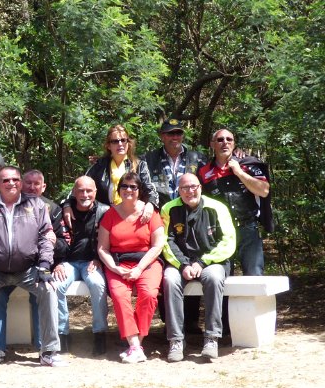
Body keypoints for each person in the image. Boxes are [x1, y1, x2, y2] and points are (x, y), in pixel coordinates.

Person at [0, 166, 67, 369]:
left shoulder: (35, 204)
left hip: (27, 270)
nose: (11, 183)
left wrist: (44, 266)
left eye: (15, 179)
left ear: (20, 182)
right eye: (6, 180)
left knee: (49, 290)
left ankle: (49, 351)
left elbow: (46, 237)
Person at [142, 118, 208, 334]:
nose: (175, 137)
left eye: (178, 133)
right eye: (170, 133)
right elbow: (132, 176)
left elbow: (214, 174)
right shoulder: (148, 159)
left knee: (190, 261)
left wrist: (239, 158)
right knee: (165, 268)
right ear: (162, 136)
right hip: (161, 219)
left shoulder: (197, 158)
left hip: (190, 217)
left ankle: (191, 321)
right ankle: (169, 322)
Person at [161, 173, 236, 362]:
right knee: (169, 279)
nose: (189, 191)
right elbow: (166, 242)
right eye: (184, 188)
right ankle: (176, 340)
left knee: (214, 278)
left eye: (193, 186)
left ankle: (212, 338)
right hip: (180, 263)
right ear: (178, 191)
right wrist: (183, 264)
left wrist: (202, 262)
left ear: (200, 187)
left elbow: (228, 241)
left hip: (211, 262)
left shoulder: (217, 207)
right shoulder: (169, 209)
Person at [97, 172, 165, 363]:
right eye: (124, 186)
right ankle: (135, 346)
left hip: (147, 262)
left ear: (139, 190)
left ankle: (136, 345)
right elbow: (102, 248)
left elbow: (158, 245)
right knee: (120, 297)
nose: (128, 190)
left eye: (133, 187)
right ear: (119, 190)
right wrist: (115, 268)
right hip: (119, 264)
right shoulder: (110, 214)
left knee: (149, 294)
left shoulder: (150, 213)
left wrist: (139, 269)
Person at [198, 128, 270, 276]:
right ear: (212, 144)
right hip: (220, 232)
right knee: (222, 277)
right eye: (220, 140)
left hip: (248, 228)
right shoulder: (204, 171)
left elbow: (264, 190)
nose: (225, 142)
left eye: (229, 139)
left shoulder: (248, 164)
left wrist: (239, 172)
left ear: (234, 143)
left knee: (254, 276)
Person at [52, 176, 110, 355]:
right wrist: (57, 263)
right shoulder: (62, 210)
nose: (85, 194)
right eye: (81, 191)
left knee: (97, 284)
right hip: (67, 262)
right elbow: (54, 238)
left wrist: (99, 258)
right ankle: (62, 334)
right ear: (74, 193)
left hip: (92, 262)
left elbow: (112, 240)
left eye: (89, 191)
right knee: (56, 285)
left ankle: (100, 333)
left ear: (95, 192)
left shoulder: (104, 211)